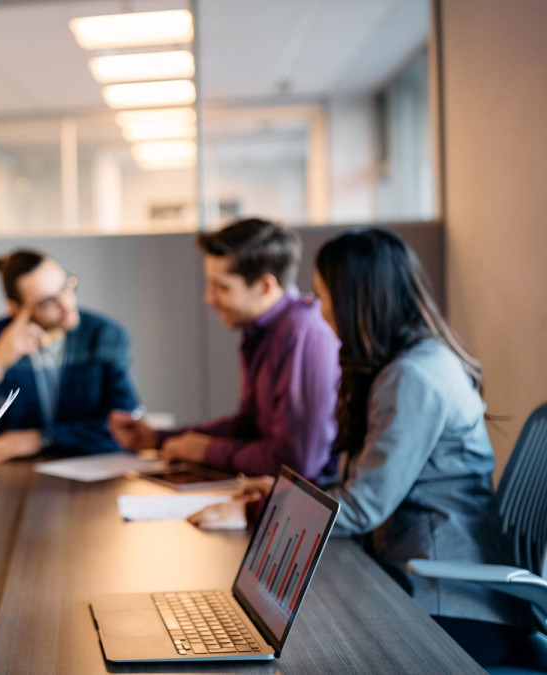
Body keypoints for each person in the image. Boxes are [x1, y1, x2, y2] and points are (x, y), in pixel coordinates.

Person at [187, 228, 531, 666]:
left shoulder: (414, 376)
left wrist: (261, 512)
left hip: (452, 600)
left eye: (321, 294)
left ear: (355, 300)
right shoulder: (399, 365)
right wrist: (279, 497)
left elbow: (364, 506)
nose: (316, 307)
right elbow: (363, 480)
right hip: (415, 572)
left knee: (307, 648)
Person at [109, 218, 339, 481]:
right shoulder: (261, 329)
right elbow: (249, 426)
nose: (209, 298)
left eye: (222, 287)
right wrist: (158, 438)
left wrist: (207, 451)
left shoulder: (304, 335)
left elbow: (298, 463)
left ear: (265, 286)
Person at [0, 250, 139, 464]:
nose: (67, 304)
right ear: (16, 310)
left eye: (65, 287)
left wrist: (41, 439)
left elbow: (127, 429)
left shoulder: (105, 336)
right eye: (47, 302)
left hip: (92, 470)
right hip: (16, 476)